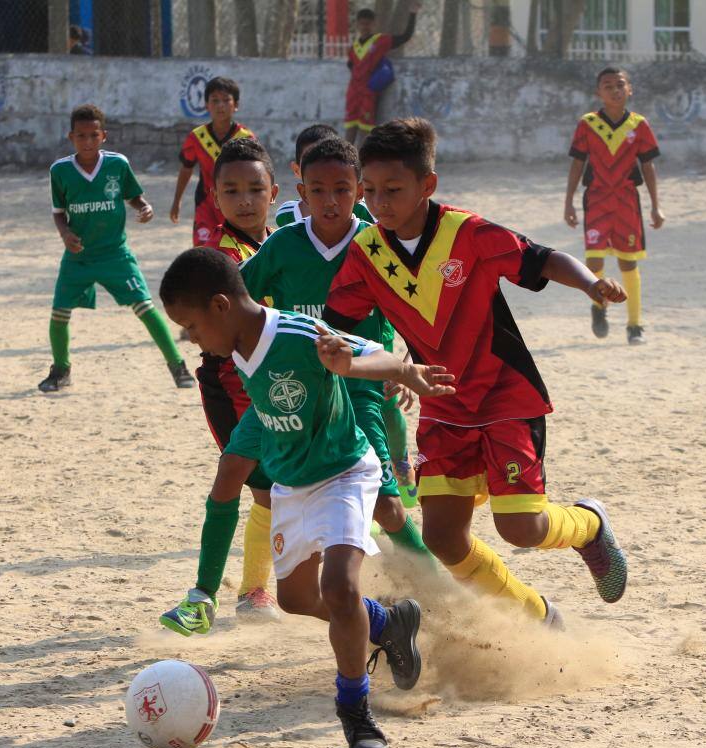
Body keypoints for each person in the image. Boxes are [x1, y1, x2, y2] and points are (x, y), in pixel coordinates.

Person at [324, 118, 631, 629]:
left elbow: (542, 258)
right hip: (444, 406)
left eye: (393, 190)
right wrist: (381, 366)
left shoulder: (468, 233)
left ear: (428, 185)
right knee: (444, 539)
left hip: (507, 398)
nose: (379, 203)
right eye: (370, 191)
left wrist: (590, 283)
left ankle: (590, 527)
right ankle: (540, 617)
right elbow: (335, 326)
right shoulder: (367, 253)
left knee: (522, 528)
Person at [159, 246, 452, 748]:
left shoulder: (299, 335)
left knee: (338, 587)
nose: (193, 340)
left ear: (221, 307)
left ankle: (355, 714)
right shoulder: (238, 348)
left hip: (343, 471)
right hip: (292, 482)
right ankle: (387, 623)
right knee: (296, 599)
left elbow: (378, 355)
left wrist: (400, 373)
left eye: (191, 327)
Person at [243, 136, 430, 557]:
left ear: (359, 191)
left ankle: (435, 585)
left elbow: (422, 309)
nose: (330, 201)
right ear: (301, 193)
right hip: (296, 389)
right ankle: (218, 591)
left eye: (342, 190)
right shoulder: (283, 245)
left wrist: (404, 367)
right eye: (319, 191)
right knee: (242, 475)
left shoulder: (379, 246)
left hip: (361, 389)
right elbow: (238, 297)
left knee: (388, 505)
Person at [166, 138, 280, 632]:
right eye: (232, 191)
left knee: (275, 489)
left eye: (255, 189)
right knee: (256, 484)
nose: (245, 200)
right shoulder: (220, 256)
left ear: (273, 192)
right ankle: (242, 593)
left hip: (272, 380)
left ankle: (248, 590)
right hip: (231, 386)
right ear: (215, 198)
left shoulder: (280, 243)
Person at [40, 104, 194, 393]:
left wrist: (144, 207)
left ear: (104, 136)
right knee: (59, 313)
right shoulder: (60, 170)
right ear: (71, 136)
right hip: (79, 257)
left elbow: (133, 196)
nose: (87, 142)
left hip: (115, 254)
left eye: (93, 135)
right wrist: (64, 232)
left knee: (146, 307)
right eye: (81, 136)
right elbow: (58, 211)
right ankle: (61, 369)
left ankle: (177, 365)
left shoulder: (117, 165)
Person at [563, 67, 663, 346]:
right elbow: (577, 163)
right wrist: (569, 201)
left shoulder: (639, 125)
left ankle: (635, 326)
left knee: (627, 261)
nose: (615, 90)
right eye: (608, 86)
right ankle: (598, 306)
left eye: (620, 85)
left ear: (629, 89)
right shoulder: (588, 123)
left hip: (627, 202)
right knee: (594, 260)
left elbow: (648, 166)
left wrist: (656, 205)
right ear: (599, 93)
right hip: (596, 200)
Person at [170, 77, 256, 246]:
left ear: (236, 105)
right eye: (215, 101)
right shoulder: (196, 137)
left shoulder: (246, 138)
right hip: (206, 205)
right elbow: (186, 169)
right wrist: (176, 201)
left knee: (237, 254)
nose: (220, 105)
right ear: (206, 105)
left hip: (235, 205)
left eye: (226, 100)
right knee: (204, 254)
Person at [345, 3, 420, 146]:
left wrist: (412, 14)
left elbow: (405, 36)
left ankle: (362, 164)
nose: (365, 27)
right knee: (350, 128)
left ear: (373, 24)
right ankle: (345, 161)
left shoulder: (380, 41)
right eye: (362, 24)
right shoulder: (353, 47)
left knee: (365, 131)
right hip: (353, 94)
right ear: (357, 25)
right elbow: (351, 65)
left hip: (368, 93)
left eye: (368, 23)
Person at [275, 124, 375, 227]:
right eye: (311, 160)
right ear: (296, 170)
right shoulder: (286, 214)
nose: (322, 170)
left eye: (341, 190)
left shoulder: (364, 212)